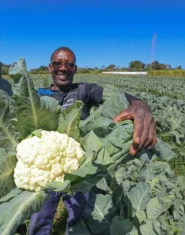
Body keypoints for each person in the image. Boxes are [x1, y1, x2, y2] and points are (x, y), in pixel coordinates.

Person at [28, 47, 157, 235]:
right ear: (50, 67)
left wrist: (138, 105)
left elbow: (116, 97)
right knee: (39, 214)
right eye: (57, 63)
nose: (63, 68)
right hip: (46, 167)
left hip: (80, 166)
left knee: (78, 215)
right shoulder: (39, 95)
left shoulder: (85, 90)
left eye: (69, 64)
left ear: (75, 68)